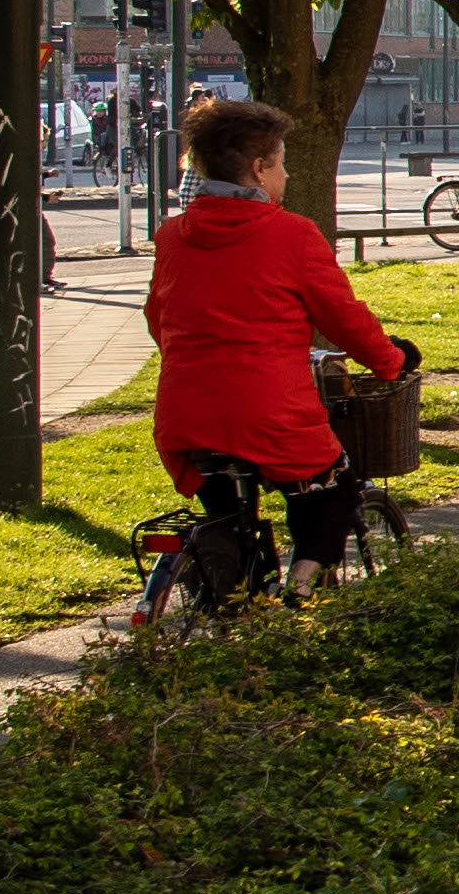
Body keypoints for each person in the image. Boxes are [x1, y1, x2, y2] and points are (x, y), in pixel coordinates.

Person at [144, 98, 412, 596]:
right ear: (259, 168)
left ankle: (227, 593)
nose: (285, 175)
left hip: (185, 411)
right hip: (268, 409)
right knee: (330, 495)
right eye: (282, 163)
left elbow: (157, 318)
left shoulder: (173, 236)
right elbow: (342, 318)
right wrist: (389, 360)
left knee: (226, 514)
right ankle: (300, 590)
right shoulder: (291, 235)